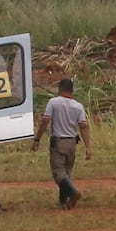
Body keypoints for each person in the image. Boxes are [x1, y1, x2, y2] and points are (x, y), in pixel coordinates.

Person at [31, 77, 91, 209]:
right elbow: (83, 126)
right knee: (67, 173)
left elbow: (45, 120)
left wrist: (37, 139)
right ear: (72, 90)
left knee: (58, 173)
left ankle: (73, 192)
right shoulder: (78, 106)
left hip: (58, 142)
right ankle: (63, 203)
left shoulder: (53, 102)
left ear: (60, 89)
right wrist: (87, 147)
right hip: (72, 143)